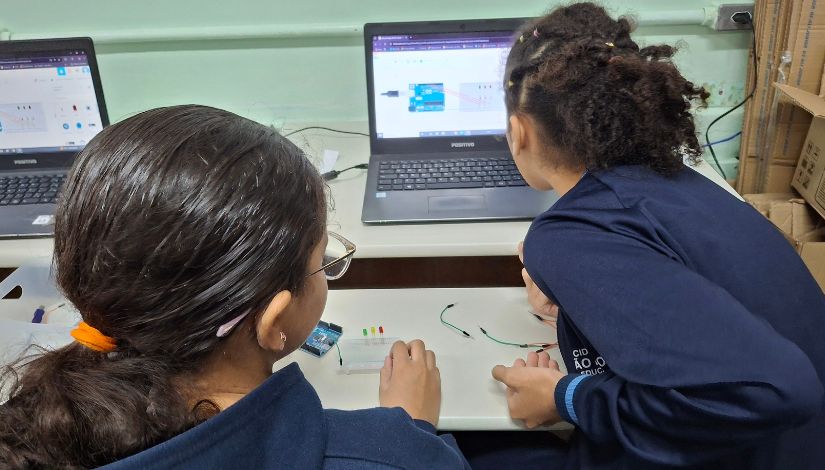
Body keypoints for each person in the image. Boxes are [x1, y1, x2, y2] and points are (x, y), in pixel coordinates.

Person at [0, 105, 469, 469]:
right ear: (274, 320)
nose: (326, 270)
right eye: (322, 260)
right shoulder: (387, 456)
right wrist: (412, 430)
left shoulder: (21, 434)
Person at [487, 3, 825, 469]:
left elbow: (777, 391)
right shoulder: (684, 184)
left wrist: (565, 397)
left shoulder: (566, 233)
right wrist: (581, 309)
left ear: (517, 131)